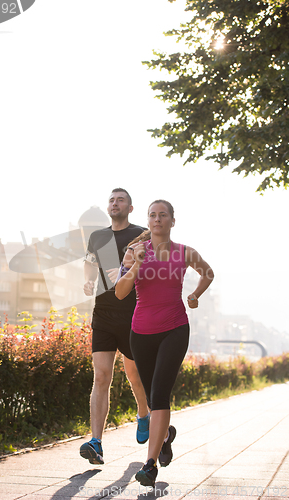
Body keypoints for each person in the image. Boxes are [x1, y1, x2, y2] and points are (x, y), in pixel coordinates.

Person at [115, 199, 214, 487]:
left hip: (174, 328)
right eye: (152, 215)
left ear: (172, 221)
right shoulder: (134, 252)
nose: (157, 219)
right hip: (141, 333)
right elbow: (121, 293)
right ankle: (166, 434)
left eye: (163, 215)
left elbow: (208, 273)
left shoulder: (185, 252)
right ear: (148, 221)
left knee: (159, 395)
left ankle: (150, 465)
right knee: (150, 395)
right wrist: (136, 267)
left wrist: (195, 296)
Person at [80, 188, 149, 465]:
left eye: (120, 200)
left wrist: (125, 271)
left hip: (133, 313)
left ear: (130, 208)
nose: (115, 203)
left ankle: (143, 414)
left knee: (134, 375)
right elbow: (89, 264)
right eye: (111, 199)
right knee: (101, 377)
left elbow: (151, 268)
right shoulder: (97, 236)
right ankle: (96, 442)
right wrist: (87, 280)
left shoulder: (142, 234)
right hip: (104, 314)